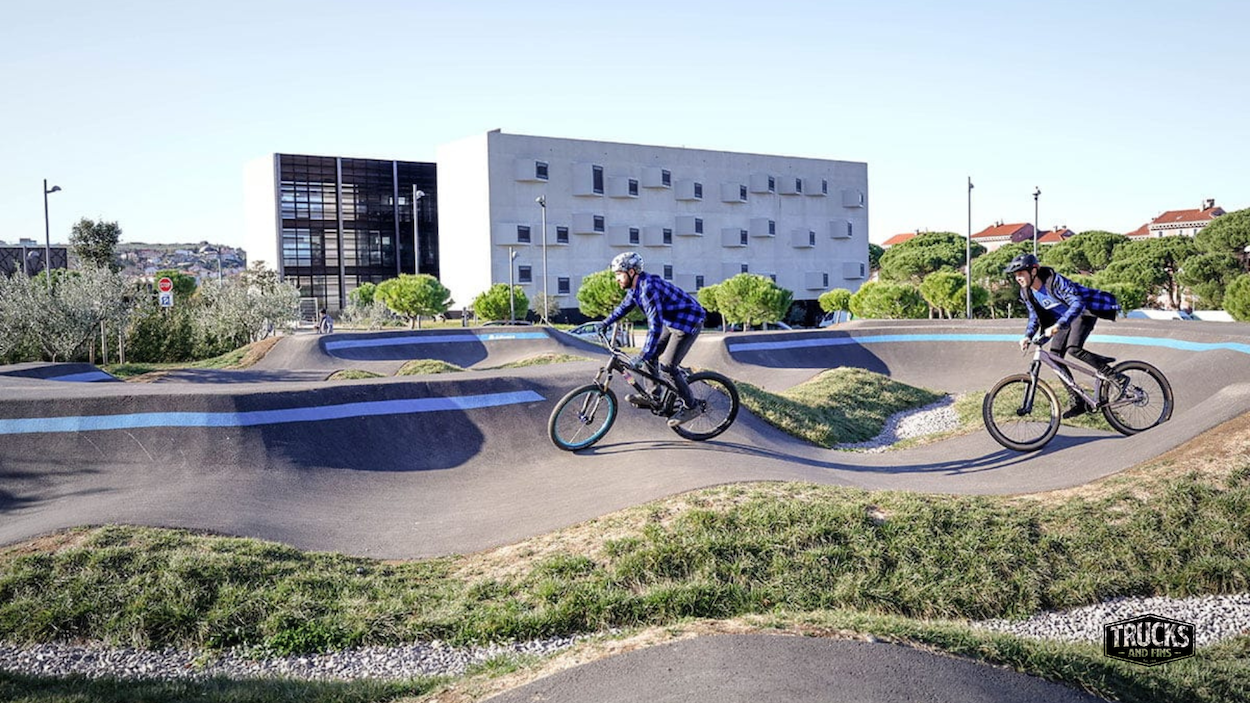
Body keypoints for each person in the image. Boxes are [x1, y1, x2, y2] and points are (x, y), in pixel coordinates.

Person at [1005, 253, 1122, 418]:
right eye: (1016, 275)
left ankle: (1115, 376)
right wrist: (1027, 336)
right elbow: (1034, 317)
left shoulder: (1054, 281)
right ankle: (1077, 400)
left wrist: (1057, 326)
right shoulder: (1026, 292)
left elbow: (1077, 303)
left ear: (1033, 271)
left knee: (1073, 348)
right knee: (1055, 358)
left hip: (1083, 312)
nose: (1018, 278)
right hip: (1062, 321)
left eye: (1021, 273)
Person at [600, 252, 707, 427]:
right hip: (672, 322)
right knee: (650, 356)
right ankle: (653, 395)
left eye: (619, 274)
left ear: (632, 272)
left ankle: (691, 406)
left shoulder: (648, 289)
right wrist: (604, 323)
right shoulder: (636, 288)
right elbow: (624, 307)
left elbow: (655, 324)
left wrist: (643, 354)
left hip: (688, 322)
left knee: (668, 366)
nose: (616, 278)